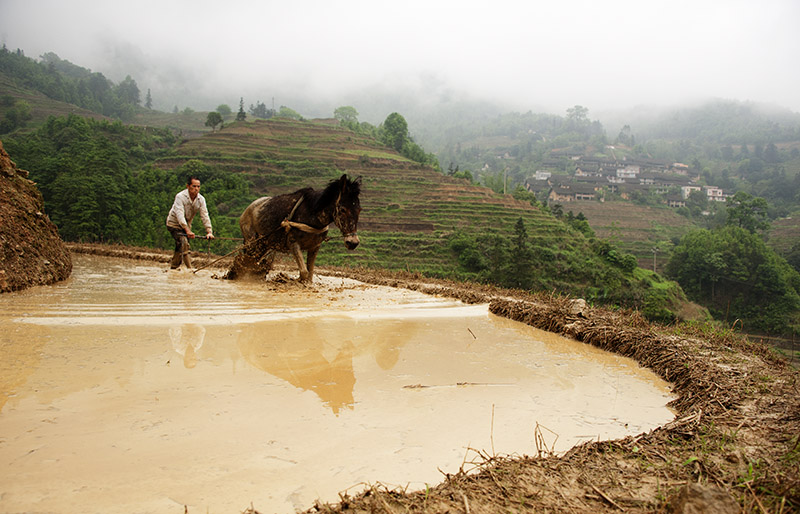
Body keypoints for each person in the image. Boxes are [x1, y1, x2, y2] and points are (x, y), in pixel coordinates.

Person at [166, 176, 214, 269]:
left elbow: (204, 215)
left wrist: (209, 231)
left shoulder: (201, 199)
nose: (196, 189)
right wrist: (187, 231)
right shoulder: (180, 197)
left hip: (186, 224)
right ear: (188, 186)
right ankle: (190, 268)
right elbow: (179, 215)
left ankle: (174, 267)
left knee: (180, 246)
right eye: (194, 186)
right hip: (173, 223)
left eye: (198, 186)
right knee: (184, 242)